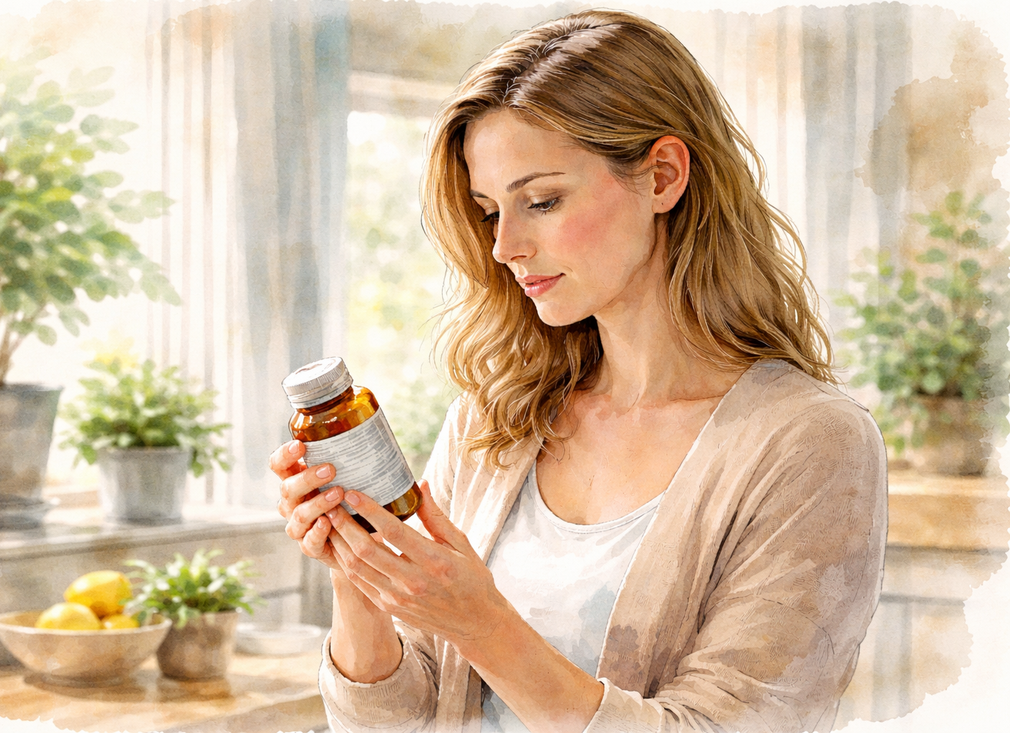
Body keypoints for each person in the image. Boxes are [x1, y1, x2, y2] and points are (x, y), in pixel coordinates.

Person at [271, 9, 887, 733]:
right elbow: (394, 722)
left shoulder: (810, 443)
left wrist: (484, 624)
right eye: (489, 210)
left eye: (542, 200)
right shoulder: (497, 413)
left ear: (663, 176)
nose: (504, 245)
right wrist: (363, 581)